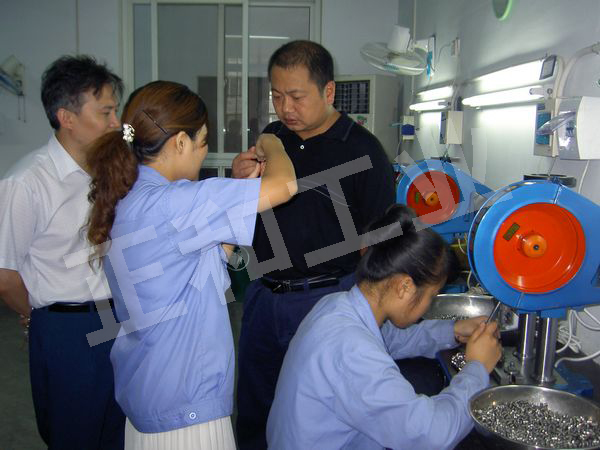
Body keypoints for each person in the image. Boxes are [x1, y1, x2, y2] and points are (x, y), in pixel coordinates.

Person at [85, 80, 297, 450]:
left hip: (151, 399)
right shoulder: (174, 203)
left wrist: (238, 191)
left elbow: (201, 264)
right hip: (186, 417)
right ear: (180, 142)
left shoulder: (130, 195)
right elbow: (286, 185)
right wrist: (272, 139)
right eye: (203, 142)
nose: (204, 153)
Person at [231, 40, 396, 449]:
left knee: (313, 413)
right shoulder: (273, 137)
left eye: (296, 96)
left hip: (325, 298)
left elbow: (378, 244)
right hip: (264, 295)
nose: (284, 108)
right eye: (276, 95)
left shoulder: (364, 151)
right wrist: (238, 180)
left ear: (328, 91)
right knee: (253, 408)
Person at [266, 204, 503, 450]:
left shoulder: (338, 305)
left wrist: (452, 330)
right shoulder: (351, 351)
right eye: (431, 296)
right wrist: (477, 368)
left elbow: (393, 338)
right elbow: (430, 435)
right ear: (404, 287)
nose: (429, 304)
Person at [0, 55, 125, 449]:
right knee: (74, 434)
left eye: (115, 110)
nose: (115, 122)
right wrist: (36, 315)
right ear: (66, 117)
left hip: (117, 317)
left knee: (117, 430)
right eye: (105, 112)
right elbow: (4, 276)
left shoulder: (108, 169)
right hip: (68, 330)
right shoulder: (26, 182)